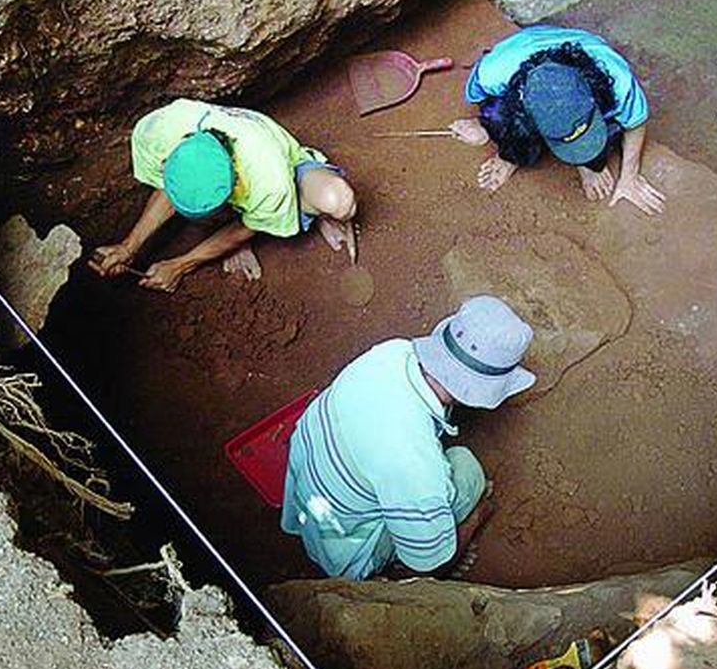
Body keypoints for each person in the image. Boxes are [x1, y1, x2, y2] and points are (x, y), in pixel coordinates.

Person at [281, 295, 535, 580]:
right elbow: (427, 564)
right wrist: (478, 515)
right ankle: (383, 565)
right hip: (346, 553)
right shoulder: (414, 463)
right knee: (467, 468)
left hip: (306, 496)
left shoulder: (394, 351)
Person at [89, 98, 357, 292]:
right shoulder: (156, 132)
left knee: (339, 200)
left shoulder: (270, 180)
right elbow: (174, 186)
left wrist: (180, 265)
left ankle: (313, 211)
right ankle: (221, 225)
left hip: (288, 170)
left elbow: (244, 228)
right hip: (233, 188)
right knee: (208, 202)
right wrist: (128, 246)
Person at [449, 25, 666, 215]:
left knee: (613, 127)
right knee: (499, 119)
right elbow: (481, 98)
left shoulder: (617, 80)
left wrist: (629, 177)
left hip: (579, 66)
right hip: (523, 57)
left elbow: (636, 122)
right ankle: (511, 157)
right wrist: (482, 125)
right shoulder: (493, 73)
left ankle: (587, 157)